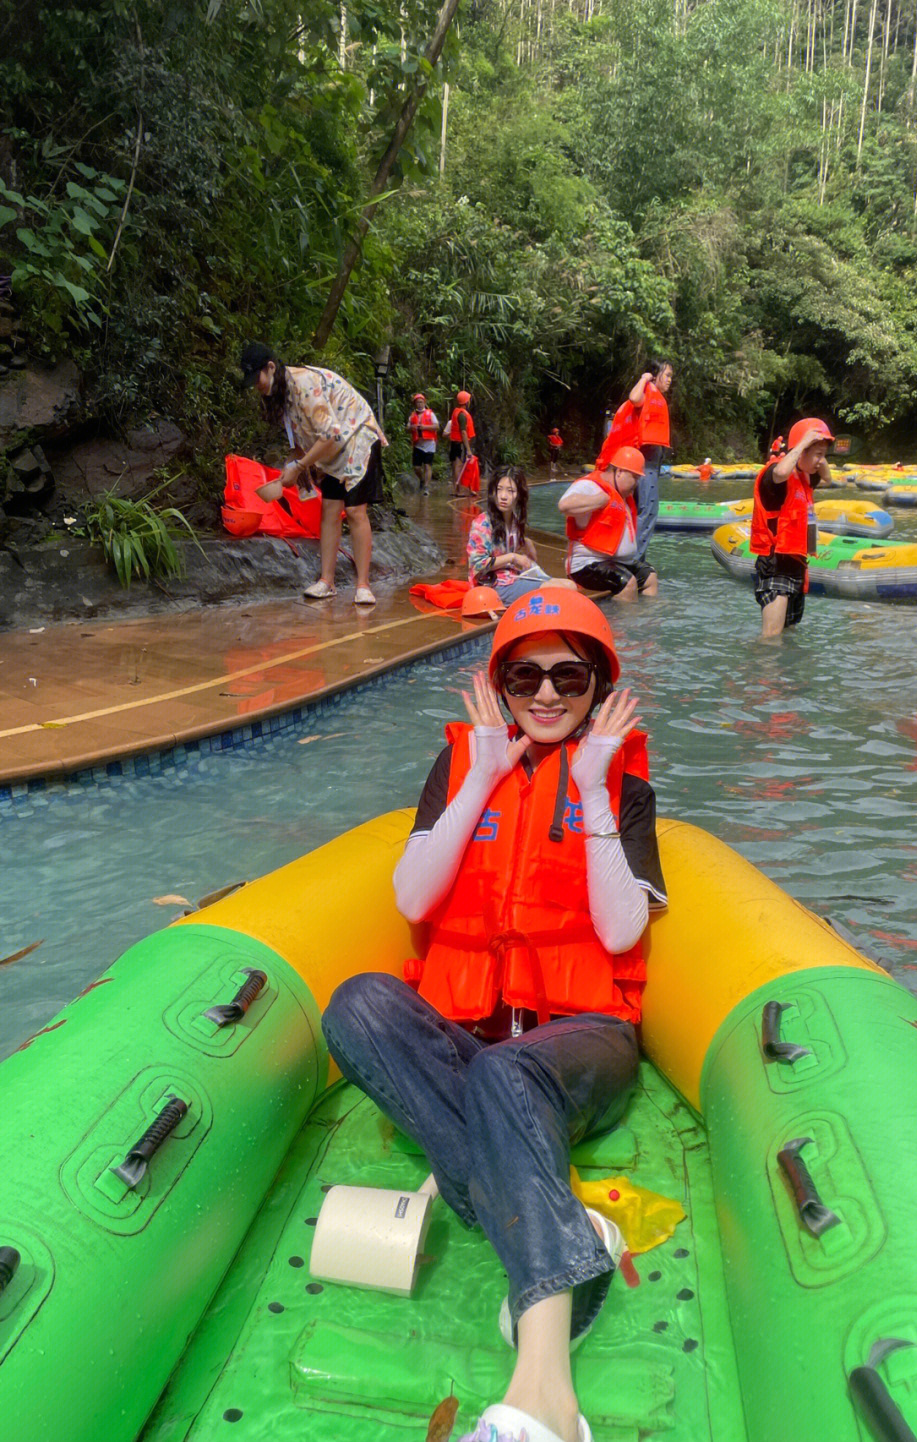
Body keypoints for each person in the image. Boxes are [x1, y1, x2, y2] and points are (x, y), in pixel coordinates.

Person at [321, 588, 667, 1442]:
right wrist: (481, 776)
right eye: (524, 676)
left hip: (582, 1044)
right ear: (499, 683)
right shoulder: (459, 767)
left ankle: (546, 1395)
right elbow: (413, 895)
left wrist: (589, 789)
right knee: (359, 1005)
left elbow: (623, 928)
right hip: (471, 1043)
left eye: (569, 677)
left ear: (597, 687)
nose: (546, 695)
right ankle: (549, 1214)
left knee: (506, 1072)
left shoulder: (619, 780)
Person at [240, 342, 388, 605]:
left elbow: (330, 434)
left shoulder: (304, 384)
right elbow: (300, 438)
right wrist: (294, 462)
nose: (257, 386)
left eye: (258, 378)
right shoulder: (281, 394)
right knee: (330, 511)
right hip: (332, 449)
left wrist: (299, 468)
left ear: (271, 367)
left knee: (354, 511)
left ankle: (363, 585)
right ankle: (326, 582)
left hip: (357, 437)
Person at [749, 417, 834, 638]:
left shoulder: (805, 478)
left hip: (797, 567)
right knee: (771, 636)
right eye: (817, 455)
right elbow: (779, 473)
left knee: (788, 634)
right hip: (776, 565)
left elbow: (828, 478)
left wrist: (819, 452)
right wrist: (803, 443)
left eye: (823, 455)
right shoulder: (774, 477)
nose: (820, 461)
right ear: (800, 450)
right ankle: (761, 673)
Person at [558, 447, 658, 600]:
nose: (637, 484)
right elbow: (565, 505)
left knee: (649, 577)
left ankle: (647, 619)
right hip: (586, 565)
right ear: (619, 472)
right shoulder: (592, 486)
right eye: (635, 478)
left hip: (614, 562)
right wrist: (600, 500)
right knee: (627, 583)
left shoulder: (622, 495)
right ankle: (620, 621)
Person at [467, 466, 572, 603]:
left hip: (513, 576)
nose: (503, 496)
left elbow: (508, 541)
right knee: (557, 591)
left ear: (519, 495)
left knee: (571, 586)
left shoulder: (514, 521)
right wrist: (513, 557)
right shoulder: (483, 523)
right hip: (494, 584)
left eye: (510, 491)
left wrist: (526, 542)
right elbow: (478, 565)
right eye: (499, 489)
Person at [627, 361, 673, 562]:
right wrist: (645, 378)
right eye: (667, 375)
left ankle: (635, 557)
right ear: (655, 375)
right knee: (649, 510)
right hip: (646, 460)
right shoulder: (646, 391)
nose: (670, 380)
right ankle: (634, 560)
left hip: (651, 458)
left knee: (642, 509)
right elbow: (634, 398)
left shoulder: (656, 396)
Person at [407, 392, 438, 495]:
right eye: (417, 402)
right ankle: (422, 479)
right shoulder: (412, 416)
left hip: (429, 443)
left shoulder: (430, 414)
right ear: (415, 404)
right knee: (416, 467)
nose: (420, 404)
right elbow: (407, 428)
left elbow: (436, 426)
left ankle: (426, 487)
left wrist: (424, 427)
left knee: (427, 465)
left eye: (421, 402)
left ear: (424, 402)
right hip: (418, 444)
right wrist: (411, 428)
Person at [448, 390, 476, 493]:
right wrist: (468, 449)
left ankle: (457, 489)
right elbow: (463, 432)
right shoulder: (462, 415)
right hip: (460, 444)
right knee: (458, 466)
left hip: (454, 443)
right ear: (466, 402)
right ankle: (458, 490)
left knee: (456, 465)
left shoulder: (457, 412)